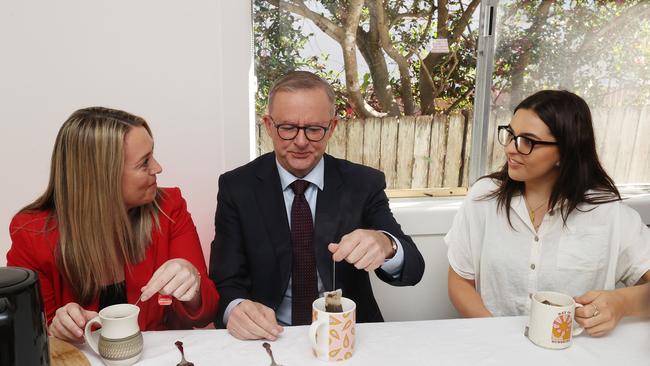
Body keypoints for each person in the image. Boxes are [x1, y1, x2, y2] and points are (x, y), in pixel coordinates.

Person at [209, 70, 425, 340]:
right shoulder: (237, 187)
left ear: (332, 127)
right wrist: (236, 309)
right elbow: (225, 280)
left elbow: (414, 269)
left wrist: (387, 245)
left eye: (313, 129)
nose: (301, 142)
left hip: (347, 336)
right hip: (269, 337)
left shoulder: (363, 183)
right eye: (288, 128)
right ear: (268, 125)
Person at [446, 90, 650, 336]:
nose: (511, 148)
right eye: (510, 135)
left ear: (565, 153)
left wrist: (621, 304)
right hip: (494, 349)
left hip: (574, 352)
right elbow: (459, 281)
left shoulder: (608, 213)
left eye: (527, 141)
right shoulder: (483, 196)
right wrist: (496, 336)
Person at [7, 107, 219, 342]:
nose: (158, 168)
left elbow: (204, 315)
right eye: (144, 162)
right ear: (101, 178)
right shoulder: (31, 233)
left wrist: (193, 287)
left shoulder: (169, 209)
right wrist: (55, 329)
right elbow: (29, 335)